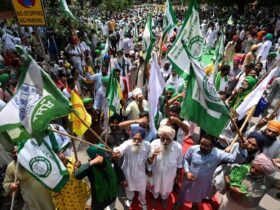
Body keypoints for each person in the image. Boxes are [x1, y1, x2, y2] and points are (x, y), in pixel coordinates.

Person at [174, 134, 245, 210]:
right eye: (201, 144)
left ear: (212, 146)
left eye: (206, 145)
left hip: (203, 183)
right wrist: (187, 171)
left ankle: (194, 205)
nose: (202, 146)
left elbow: (237, 160)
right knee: (183, 193)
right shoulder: (193, 149)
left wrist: (241, 148)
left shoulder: (218, 154)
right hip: (188, 179)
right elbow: (185, 160)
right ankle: (179, 203)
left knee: (198, 195)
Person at [75, 144, 124, 210]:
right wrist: (91, 163)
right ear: (97, 156)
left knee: (112, 207)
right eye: (103, 153)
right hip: (100, 200)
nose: (105, 155)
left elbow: (117, 168)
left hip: (112, 193)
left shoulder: (108, 159)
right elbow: (77, 175)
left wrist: (122, 179)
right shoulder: (90, 168)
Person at [113, 127, 151, 210]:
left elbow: (149, 158)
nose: (136, 142)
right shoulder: (127, 143)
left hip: (141, 173)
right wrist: (116, 152)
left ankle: (143, 201)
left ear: (143, 139)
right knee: (128, 189)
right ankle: (130, 198)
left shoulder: (148, 145)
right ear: (131, 137)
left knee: (142, 189)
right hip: (128, 172)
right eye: (134, 139)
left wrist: (149, 169)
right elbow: (120, 149)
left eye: (139, 139)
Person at [148, 126, 183, 209]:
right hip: (156, 172)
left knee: (167, 186)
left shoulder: (178, 147)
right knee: (155, 186)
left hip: (170, 174)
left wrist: (178, 175)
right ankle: (155, 197)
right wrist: (152, 157)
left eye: (168, 139)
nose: (165, 142)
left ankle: (164, 198)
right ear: (160, 137)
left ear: (172, 138)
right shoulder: (154, 144)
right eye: (162, 138)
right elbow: (148, 161)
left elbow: (179, 164)